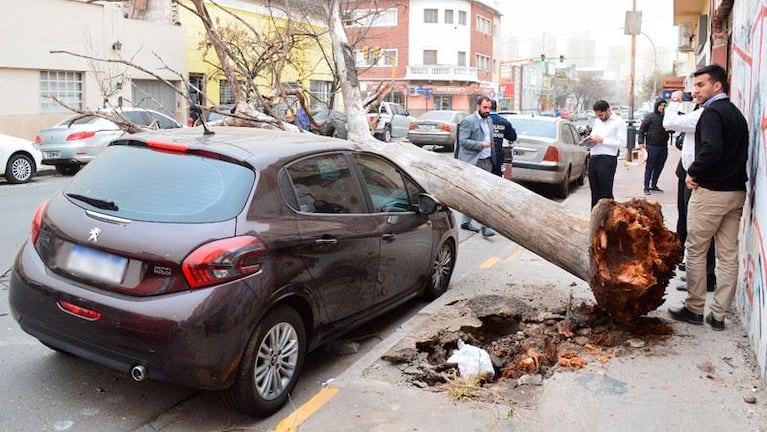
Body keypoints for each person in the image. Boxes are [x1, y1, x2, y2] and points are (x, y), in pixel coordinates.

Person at [668, 64, 749, 331]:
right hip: (736, 194)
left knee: (696, 250)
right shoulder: (736, 113)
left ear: (717, 86)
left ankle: (694, 308)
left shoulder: (712, 112)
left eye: (701, 85)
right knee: (727, 256)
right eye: (695, 85)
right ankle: (718, 315)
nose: (696, 90)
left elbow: (712, 150)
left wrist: (693, 172)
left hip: (712, 193)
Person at [663, 90, 716, 293]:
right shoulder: (701, 109)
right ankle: (697, 272)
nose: (695, 93)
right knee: (686, 220)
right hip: (686, 173)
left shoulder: (707, 112)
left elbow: (669, 122)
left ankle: (704, 277)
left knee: (699, 228)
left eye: (701, 87)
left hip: (695, 176)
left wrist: (674, 103)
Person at [457, 95, 496, 237]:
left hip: (487, 161)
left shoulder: (489, 120)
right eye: (485, 107)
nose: (487, 110)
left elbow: (490, 139)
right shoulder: (469, 121)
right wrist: (480, 144)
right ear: (478, 106)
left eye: (489, 108)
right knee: (482, 195)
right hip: (473, 162)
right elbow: (463, 141)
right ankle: (485, 227)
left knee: (478, 194)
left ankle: (466, 222)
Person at [586, 100, 627, 208]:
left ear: (608, 110)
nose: (599, 117)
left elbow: (622, 143)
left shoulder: (618, 122)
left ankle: (608, 220)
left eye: (601, 114)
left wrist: (603, 140)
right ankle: (595, 219)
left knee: (605, 192)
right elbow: (594, 135)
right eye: (597, 115)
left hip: (607, 159)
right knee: (595, 191)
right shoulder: (597, 121)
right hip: (594, 156)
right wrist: (590, 140)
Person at [638, 99, 672, 195]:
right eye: (660, 105)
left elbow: (672, 129)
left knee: (659, 167)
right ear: (657, 106)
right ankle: (646, 186)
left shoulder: (667, 117)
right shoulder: (650, 117)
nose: (662, 107)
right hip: (652, 146)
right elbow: (641, 130)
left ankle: (654, 184)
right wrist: (641, 142)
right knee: (650, 167)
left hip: (663, 146)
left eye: (664, 105)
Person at [489, 100, 517, 176]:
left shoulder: (482, 120)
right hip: (497, 156)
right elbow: (512, 137)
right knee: (496, 179)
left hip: (482, 156)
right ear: (496, 108)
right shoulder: (504, 122)